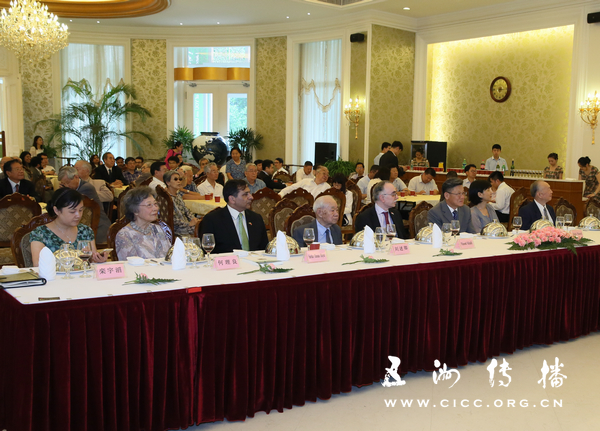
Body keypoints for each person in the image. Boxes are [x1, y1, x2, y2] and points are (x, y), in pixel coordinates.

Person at [30, 189, 108, 266]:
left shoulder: (85, 231)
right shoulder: (40, 233)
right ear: (56, 210)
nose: (78, 215)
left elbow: (93, 261)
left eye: (81, 210)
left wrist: (98, 260)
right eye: (72, 212)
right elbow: (38, 264)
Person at [199, 179, 269, 253]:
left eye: (249, 193)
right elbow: (207, 252)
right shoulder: (212, 220)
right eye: (245, 194)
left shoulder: (256, 218)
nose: (251, 197)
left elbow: (264, 250)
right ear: (232, 199)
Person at [115, 186, 171, 261]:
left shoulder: (158, 229)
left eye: (155, 204)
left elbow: (170, 257)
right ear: (135, 210)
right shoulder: (125, 235)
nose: (155, 208)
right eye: (149, 205)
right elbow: (130, 265)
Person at [58, 166, 111, 243]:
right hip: (81, 228)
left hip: (98, 228)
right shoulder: (73, 189)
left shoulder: (86, 188)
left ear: (76, 177)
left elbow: (69, 204)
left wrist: (64, 192)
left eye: (68, 182)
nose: (66, 186)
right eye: (63, 184)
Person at [163, 169, 200, 236]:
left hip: (186, 224)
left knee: (204, 224)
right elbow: (173, 219)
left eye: (179, 179)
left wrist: (194, 219)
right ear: (168, 182)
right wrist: (188, 224)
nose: (179, 181)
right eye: (175, 179)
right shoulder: (167, 198)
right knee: (203, 228)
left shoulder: (178, 195)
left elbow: (186, 211)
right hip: (177, 228)